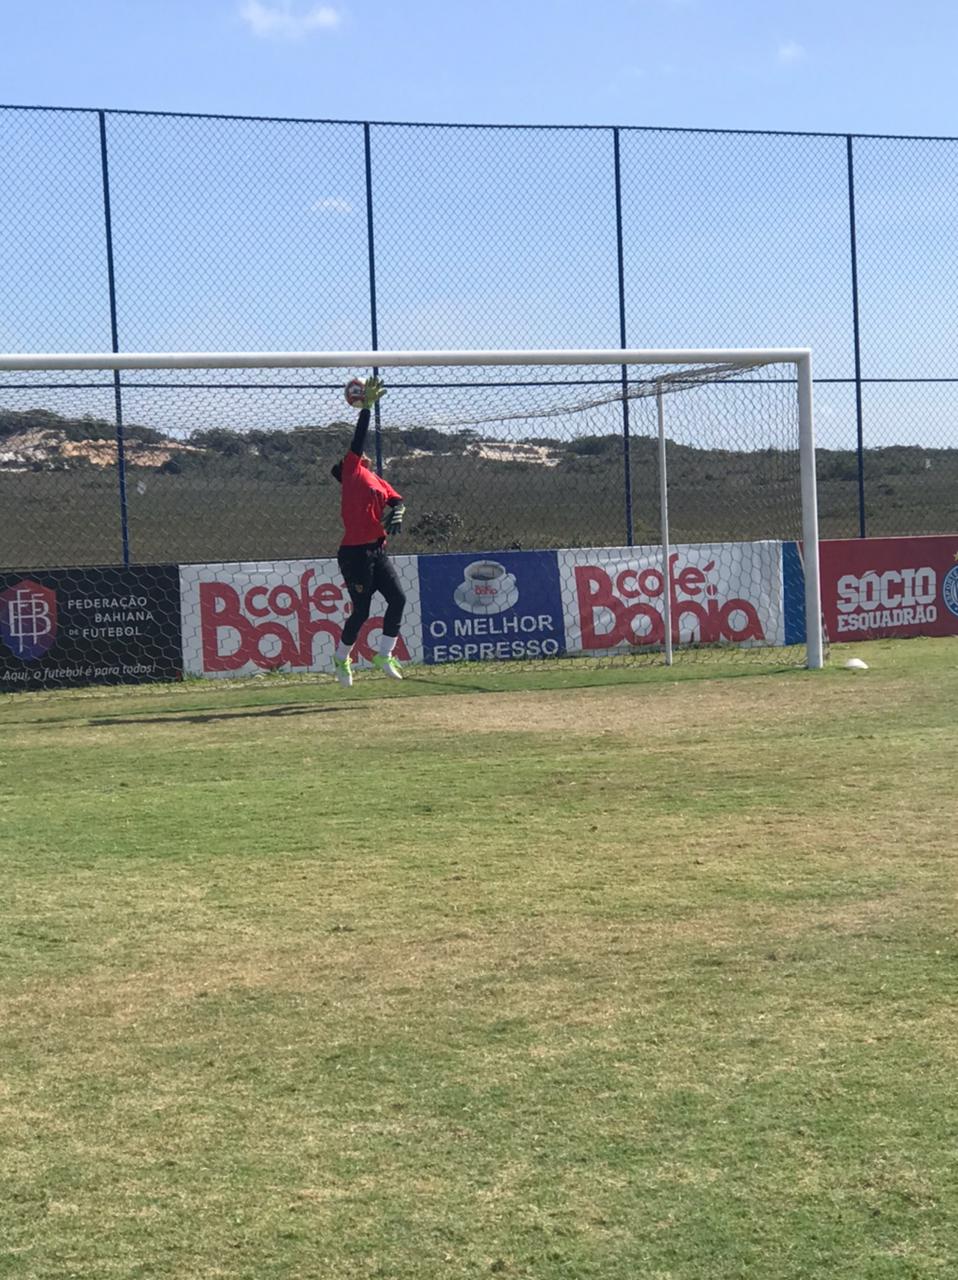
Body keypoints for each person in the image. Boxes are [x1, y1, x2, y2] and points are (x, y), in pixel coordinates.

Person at [330, 376, 407, 688]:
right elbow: (358, 441)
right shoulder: (352, 472)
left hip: (377, 549)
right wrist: (367, 409)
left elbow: (396, 498)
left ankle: (384, 654)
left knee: (398, 600)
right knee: (361, 611)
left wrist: (399, 509)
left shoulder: (374, 478)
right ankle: (341, 658)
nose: (360, 456)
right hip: (355, 553)